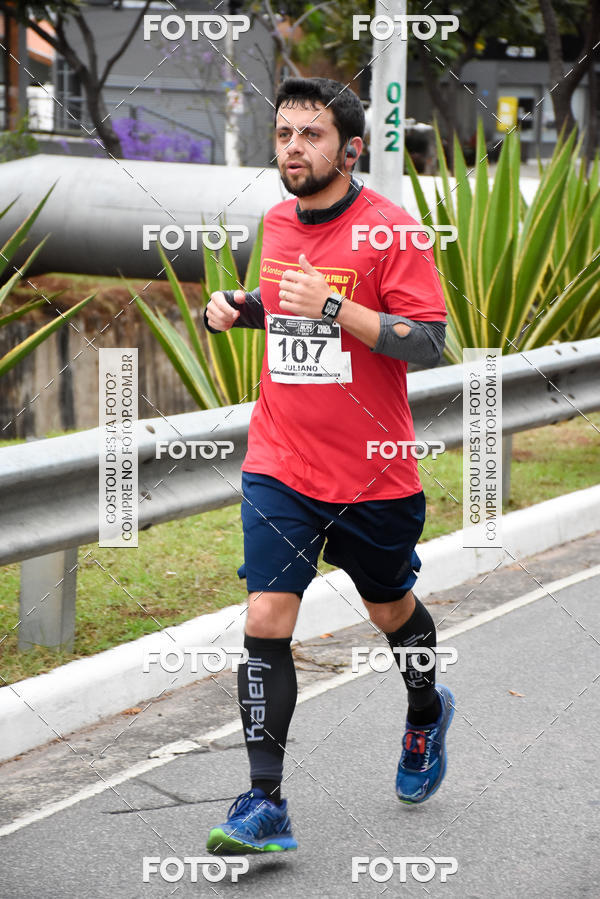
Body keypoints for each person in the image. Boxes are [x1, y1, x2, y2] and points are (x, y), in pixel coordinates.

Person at [203, 76, 454, 855]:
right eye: (283, 134)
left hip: (375, 474)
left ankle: (424, 711)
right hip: (281, 462)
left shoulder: (393, 232)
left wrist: (335, 308)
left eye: (309, 135)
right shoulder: (278, 220)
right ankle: (264, 800)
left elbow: (430, 341)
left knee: (390, 610)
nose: (292, 149)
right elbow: (289, 311)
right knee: (266, 619)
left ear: (348, 148)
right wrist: (241, 307)